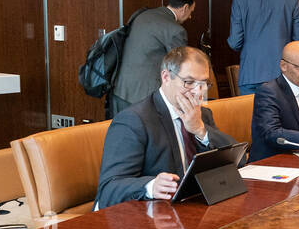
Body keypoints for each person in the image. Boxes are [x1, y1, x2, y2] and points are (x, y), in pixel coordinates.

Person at [96, 47, 235, 209]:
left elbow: (235, 160)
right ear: (166, 77)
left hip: (188, 207)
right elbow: (109, 188)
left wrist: (200, 130)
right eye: (189, 82)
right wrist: (150, 186)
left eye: (203, 83)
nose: (198, 92)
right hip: (142, 215)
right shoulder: (134, 120)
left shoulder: (202, 114)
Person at [229, 0, 299, 95]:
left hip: (251, 73)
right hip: (283, 74)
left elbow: (235, 42)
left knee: (251, 116)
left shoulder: (240, 0)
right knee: (282, 116)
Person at [112, 0, 194, 115]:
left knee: (122, 133)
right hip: (143, 98)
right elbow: (179, 69)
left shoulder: (142, 15)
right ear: (185, 8)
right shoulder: (175, 30)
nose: (190, 17)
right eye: (191, 12)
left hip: (120, 91)